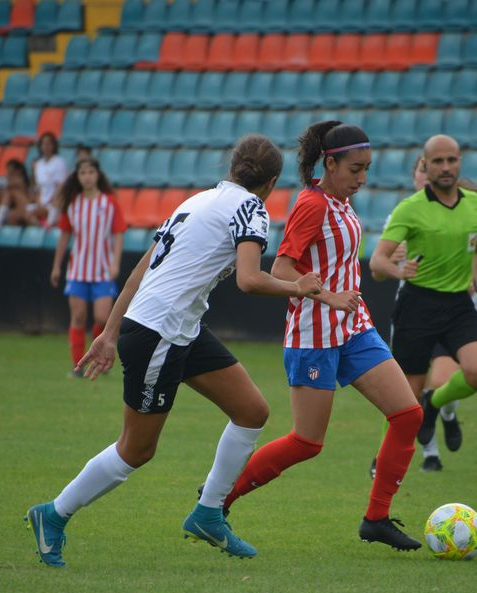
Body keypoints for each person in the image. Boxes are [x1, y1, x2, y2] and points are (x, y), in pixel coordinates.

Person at [25, 135, 324, 566]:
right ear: (271, 182)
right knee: (136, 449)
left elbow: (143, 267)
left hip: (177, 327)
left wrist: (110, 331)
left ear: (233, 166)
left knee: (252, 411)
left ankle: (208, 513)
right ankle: (53, 515)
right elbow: (249, 279)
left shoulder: (197, 201)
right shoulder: (251, 209)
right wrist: (297, 287)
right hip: (158, 332)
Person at [220, 121, 428, 552]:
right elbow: (279, 269)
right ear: (329, 163)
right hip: (314, 334)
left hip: (355, 329)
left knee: (408, 415)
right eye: (355, 169)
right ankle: (219, 496)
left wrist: (344, 301)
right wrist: (331, 296)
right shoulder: (312, 204)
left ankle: (376, 518)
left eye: (367, 168)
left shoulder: (344, 202)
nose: (363, 178)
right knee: (307, 442)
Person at [370, 135, 477, 466]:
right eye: (437, 162)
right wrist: (399, 272)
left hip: (458, 304)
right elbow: (377, 262)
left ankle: (435, 404)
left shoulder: (475, 205)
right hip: (417, 305)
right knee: (406, 398)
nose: (445, 167)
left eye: (451, 160)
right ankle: (383, 460)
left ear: (459, 162)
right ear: (425, 167)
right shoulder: (409, 210)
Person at [367, 154, 463, 478]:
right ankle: (421, 455)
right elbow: (379, 271)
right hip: (413, 312)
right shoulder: (403, 214)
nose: (428, 175)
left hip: (451, 309)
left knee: (444, 382)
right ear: (415, 177)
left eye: (431, 168)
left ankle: (446, 410)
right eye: (422, 169)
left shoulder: (461, 209)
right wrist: (395, 266)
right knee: (406, 392)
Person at [50, 158, 126, 379]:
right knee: (79, 317)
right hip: (77, 271)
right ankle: (77, 366)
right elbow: (64, 236)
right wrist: (56, 266)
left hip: (102, 270)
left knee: (103, 318)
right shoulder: (73, 204)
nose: (87, 176)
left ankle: (95, 353)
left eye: (91, 171)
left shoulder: (109, 202)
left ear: (98, 175)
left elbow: (119, 233)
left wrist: (115, 263)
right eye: (83, 172)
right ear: (78, 177)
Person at [32, 132, 68, 227]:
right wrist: (38, 202)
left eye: (49, 144)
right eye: (44, 144)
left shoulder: (59, 162)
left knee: (29, 214)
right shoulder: (38, 164)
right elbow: (38, 188)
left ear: (54, 146)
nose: (46, 146)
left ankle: (49, 222)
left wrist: (49, 203)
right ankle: (40, 223)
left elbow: (60, 188)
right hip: (41, 203)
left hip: (53, 204)